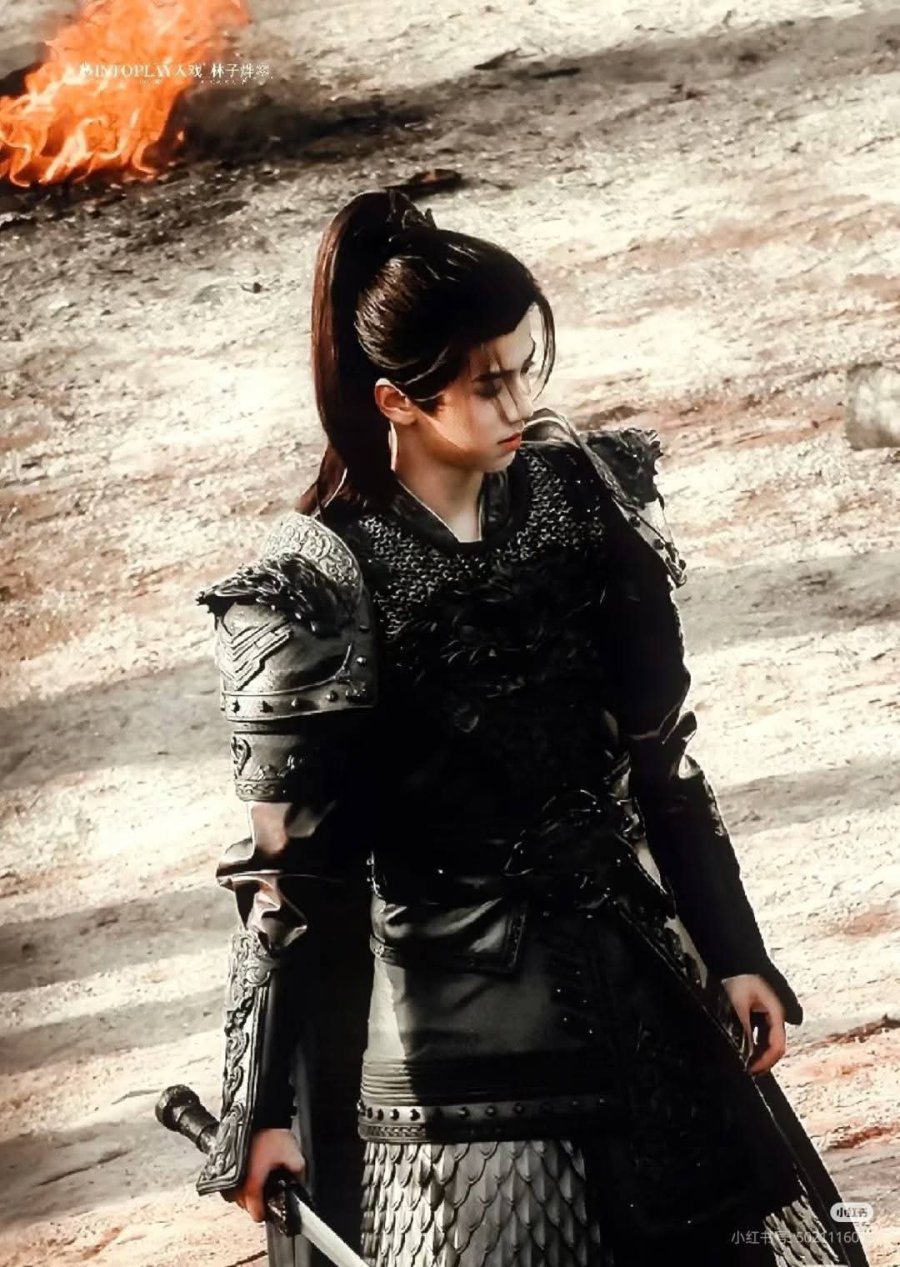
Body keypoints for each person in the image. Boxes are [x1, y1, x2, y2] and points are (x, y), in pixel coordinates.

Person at [194, 189, 869, 1267]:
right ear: (397, 400)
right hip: (462, 1055)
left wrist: (735, 951)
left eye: (525, 367)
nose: (521, 401)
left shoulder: (580, 499)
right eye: (487, 383)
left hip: (647, 996)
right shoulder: (316, 585)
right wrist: (260, 1108)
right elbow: (293, 882)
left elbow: (663, 762)